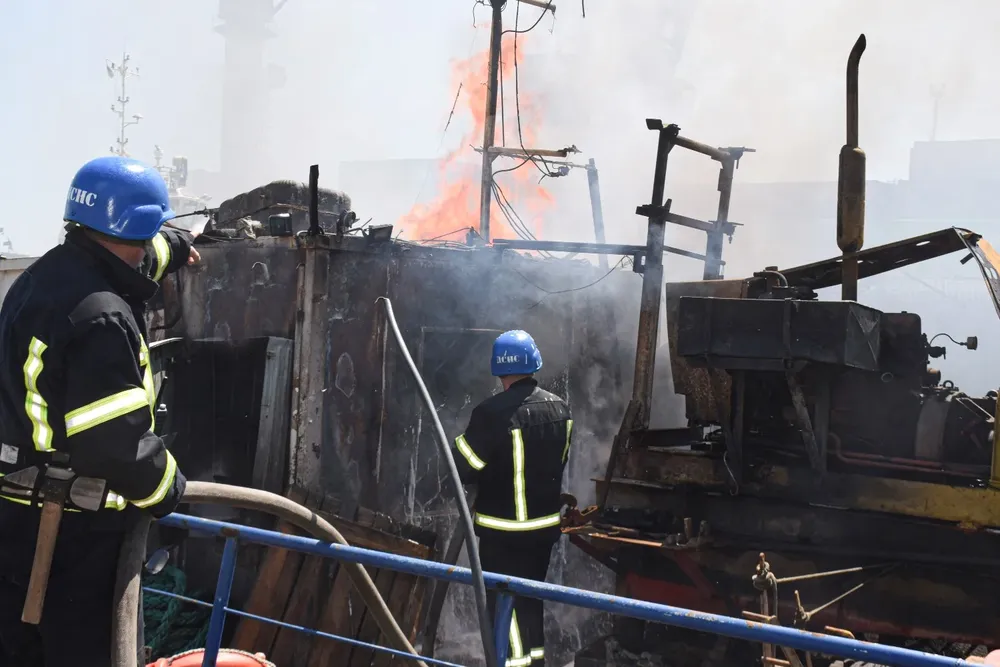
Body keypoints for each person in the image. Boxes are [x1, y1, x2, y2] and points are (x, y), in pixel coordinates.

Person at [0, 155, 199, 667]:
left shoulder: (43, 277)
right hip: (74, 543)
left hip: (16, 522)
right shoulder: (103, 318)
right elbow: (113, 445)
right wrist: (170, 490)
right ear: (140, 228)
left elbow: (135, 256)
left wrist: (176, 246)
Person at [452, 330, 573, 667]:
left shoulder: (492, 413)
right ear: (534, 363)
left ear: (498, 369)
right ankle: (536, 662)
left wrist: (460, 443)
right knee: (531, 600)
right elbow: (558, 460)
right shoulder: (560, 408)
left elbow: (464, 467)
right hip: (544, 530)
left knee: (505, 606)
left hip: (503, 532)